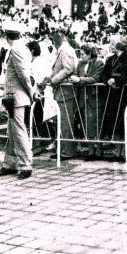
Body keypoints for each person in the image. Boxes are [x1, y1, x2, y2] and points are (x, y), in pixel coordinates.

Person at [0, 22, 37, 180]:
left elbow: (24, 75)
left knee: (18, 131)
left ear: (7, 36)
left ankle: (26, 164)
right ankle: (10, 164)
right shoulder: (21, 48)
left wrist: (31, 93)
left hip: (16, 97)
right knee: (12, 131)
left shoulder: (17, 50)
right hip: (13, 96)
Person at [41, 29, 78, 160]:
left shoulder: (66, 50)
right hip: (60, 91)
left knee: (66, 123)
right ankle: (62, 149)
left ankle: (67, 151)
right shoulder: (61, 50)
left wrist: (53, 80)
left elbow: (68, 69)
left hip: (65, 91)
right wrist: (48, 78)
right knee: (61, 123)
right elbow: (59, 69)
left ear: (57, 40)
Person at [71, 44, 104, 161]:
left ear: (90, 54)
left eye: (83, 54)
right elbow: (74, 74)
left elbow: (95, 78)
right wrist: (76, 78)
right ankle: (91, 150)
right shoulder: (80, 64)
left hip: (95, 98)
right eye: (80, 54)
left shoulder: (98, 63)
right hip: (83, 98)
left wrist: (80, 79)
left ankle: (99, 150)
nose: (81, 57)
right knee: (86, 124)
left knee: (96, 124)